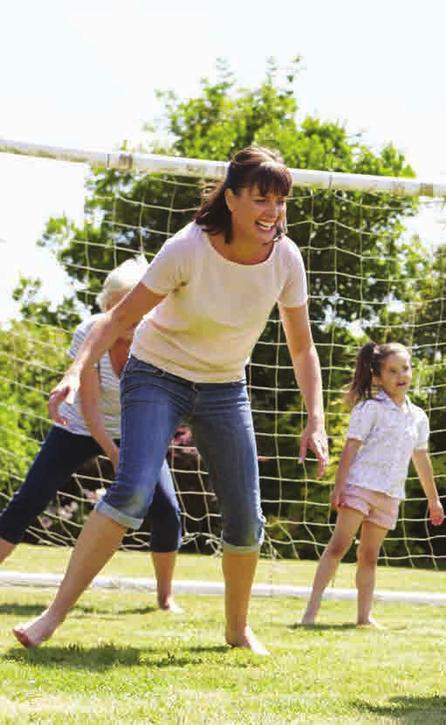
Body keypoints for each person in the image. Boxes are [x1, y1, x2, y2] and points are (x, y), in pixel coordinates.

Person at [13, 146, 329, 654]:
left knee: (246, 516)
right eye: (261, 198)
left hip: (225, 387)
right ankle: (51, 617)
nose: (273, 211)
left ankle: (237, 628)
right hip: (157, 374)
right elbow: (117, 320)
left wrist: (315, 418)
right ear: (231, 198)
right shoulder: (188, 247)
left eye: (281, 200)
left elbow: (302, 345)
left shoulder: (286, 260)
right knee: (133, 491)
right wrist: (75, 370)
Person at [0, 258, 182, 613]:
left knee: (167, 508)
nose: (128, 313)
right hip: (80, 426)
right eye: (119, 305)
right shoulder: (91, 332)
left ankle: (165, 597)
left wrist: (132, 449)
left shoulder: (158, 338)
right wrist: (113, 453)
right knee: (31, 498)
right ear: (109, 307)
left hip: (135, 429)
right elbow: (90, 407)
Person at [300, 341, 444, 627]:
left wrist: (433, 499)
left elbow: (421, 460)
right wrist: (339, 486)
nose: (401, 375)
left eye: (405, 368)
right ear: (377, 377)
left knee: (369, 556)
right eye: (392, 371)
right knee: (339, 546)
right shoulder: (369, 408)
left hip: (390, 494)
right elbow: (351, 448)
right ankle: (310, 613)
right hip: (360, 486)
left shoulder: (418, 417)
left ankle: (364, 618)